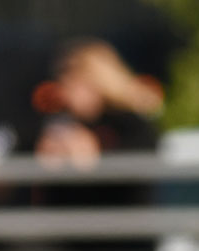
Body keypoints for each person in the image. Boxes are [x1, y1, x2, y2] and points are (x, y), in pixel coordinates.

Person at [32, 38, 162, 170]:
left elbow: (139, 169)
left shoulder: (131, 125)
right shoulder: (61, 122)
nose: (67, 93)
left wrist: (93, 157)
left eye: (75, 84)